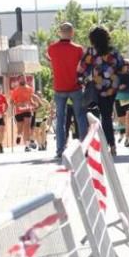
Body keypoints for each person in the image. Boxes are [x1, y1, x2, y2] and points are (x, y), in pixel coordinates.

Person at [77, 26, 124, 152]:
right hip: (111, 89)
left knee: (92, 116)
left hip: (96, 88)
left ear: (92, 39)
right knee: (107, 116)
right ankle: (112, 145)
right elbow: (122, 67)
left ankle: (95, 144)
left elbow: (81, 69)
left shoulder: (91, 52)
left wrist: (82, 81)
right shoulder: (114, 52)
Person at [48, 22, 88, 160]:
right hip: (75, 87)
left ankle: (60, 149)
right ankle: (85, 148)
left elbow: (51, 60)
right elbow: (82, 66)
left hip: (59, 87)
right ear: (72, 32)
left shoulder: (52, 48)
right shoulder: (78, 49)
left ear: (60, 32)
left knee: (60, 119)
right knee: (80, 117)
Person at [10, 77, 42, 151]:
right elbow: (11, 101)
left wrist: (34, 104)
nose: (23, 80)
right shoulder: (16, 90)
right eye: (21, 79)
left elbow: (30, 99)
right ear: (19, 80)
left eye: (24, 79)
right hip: (19, 111)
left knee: (27, 128)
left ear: (25, 80)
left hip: (27, 110)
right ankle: (19, 135)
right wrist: (17, 104)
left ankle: (27, 146)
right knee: (20, 129)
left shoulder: (29, 89)